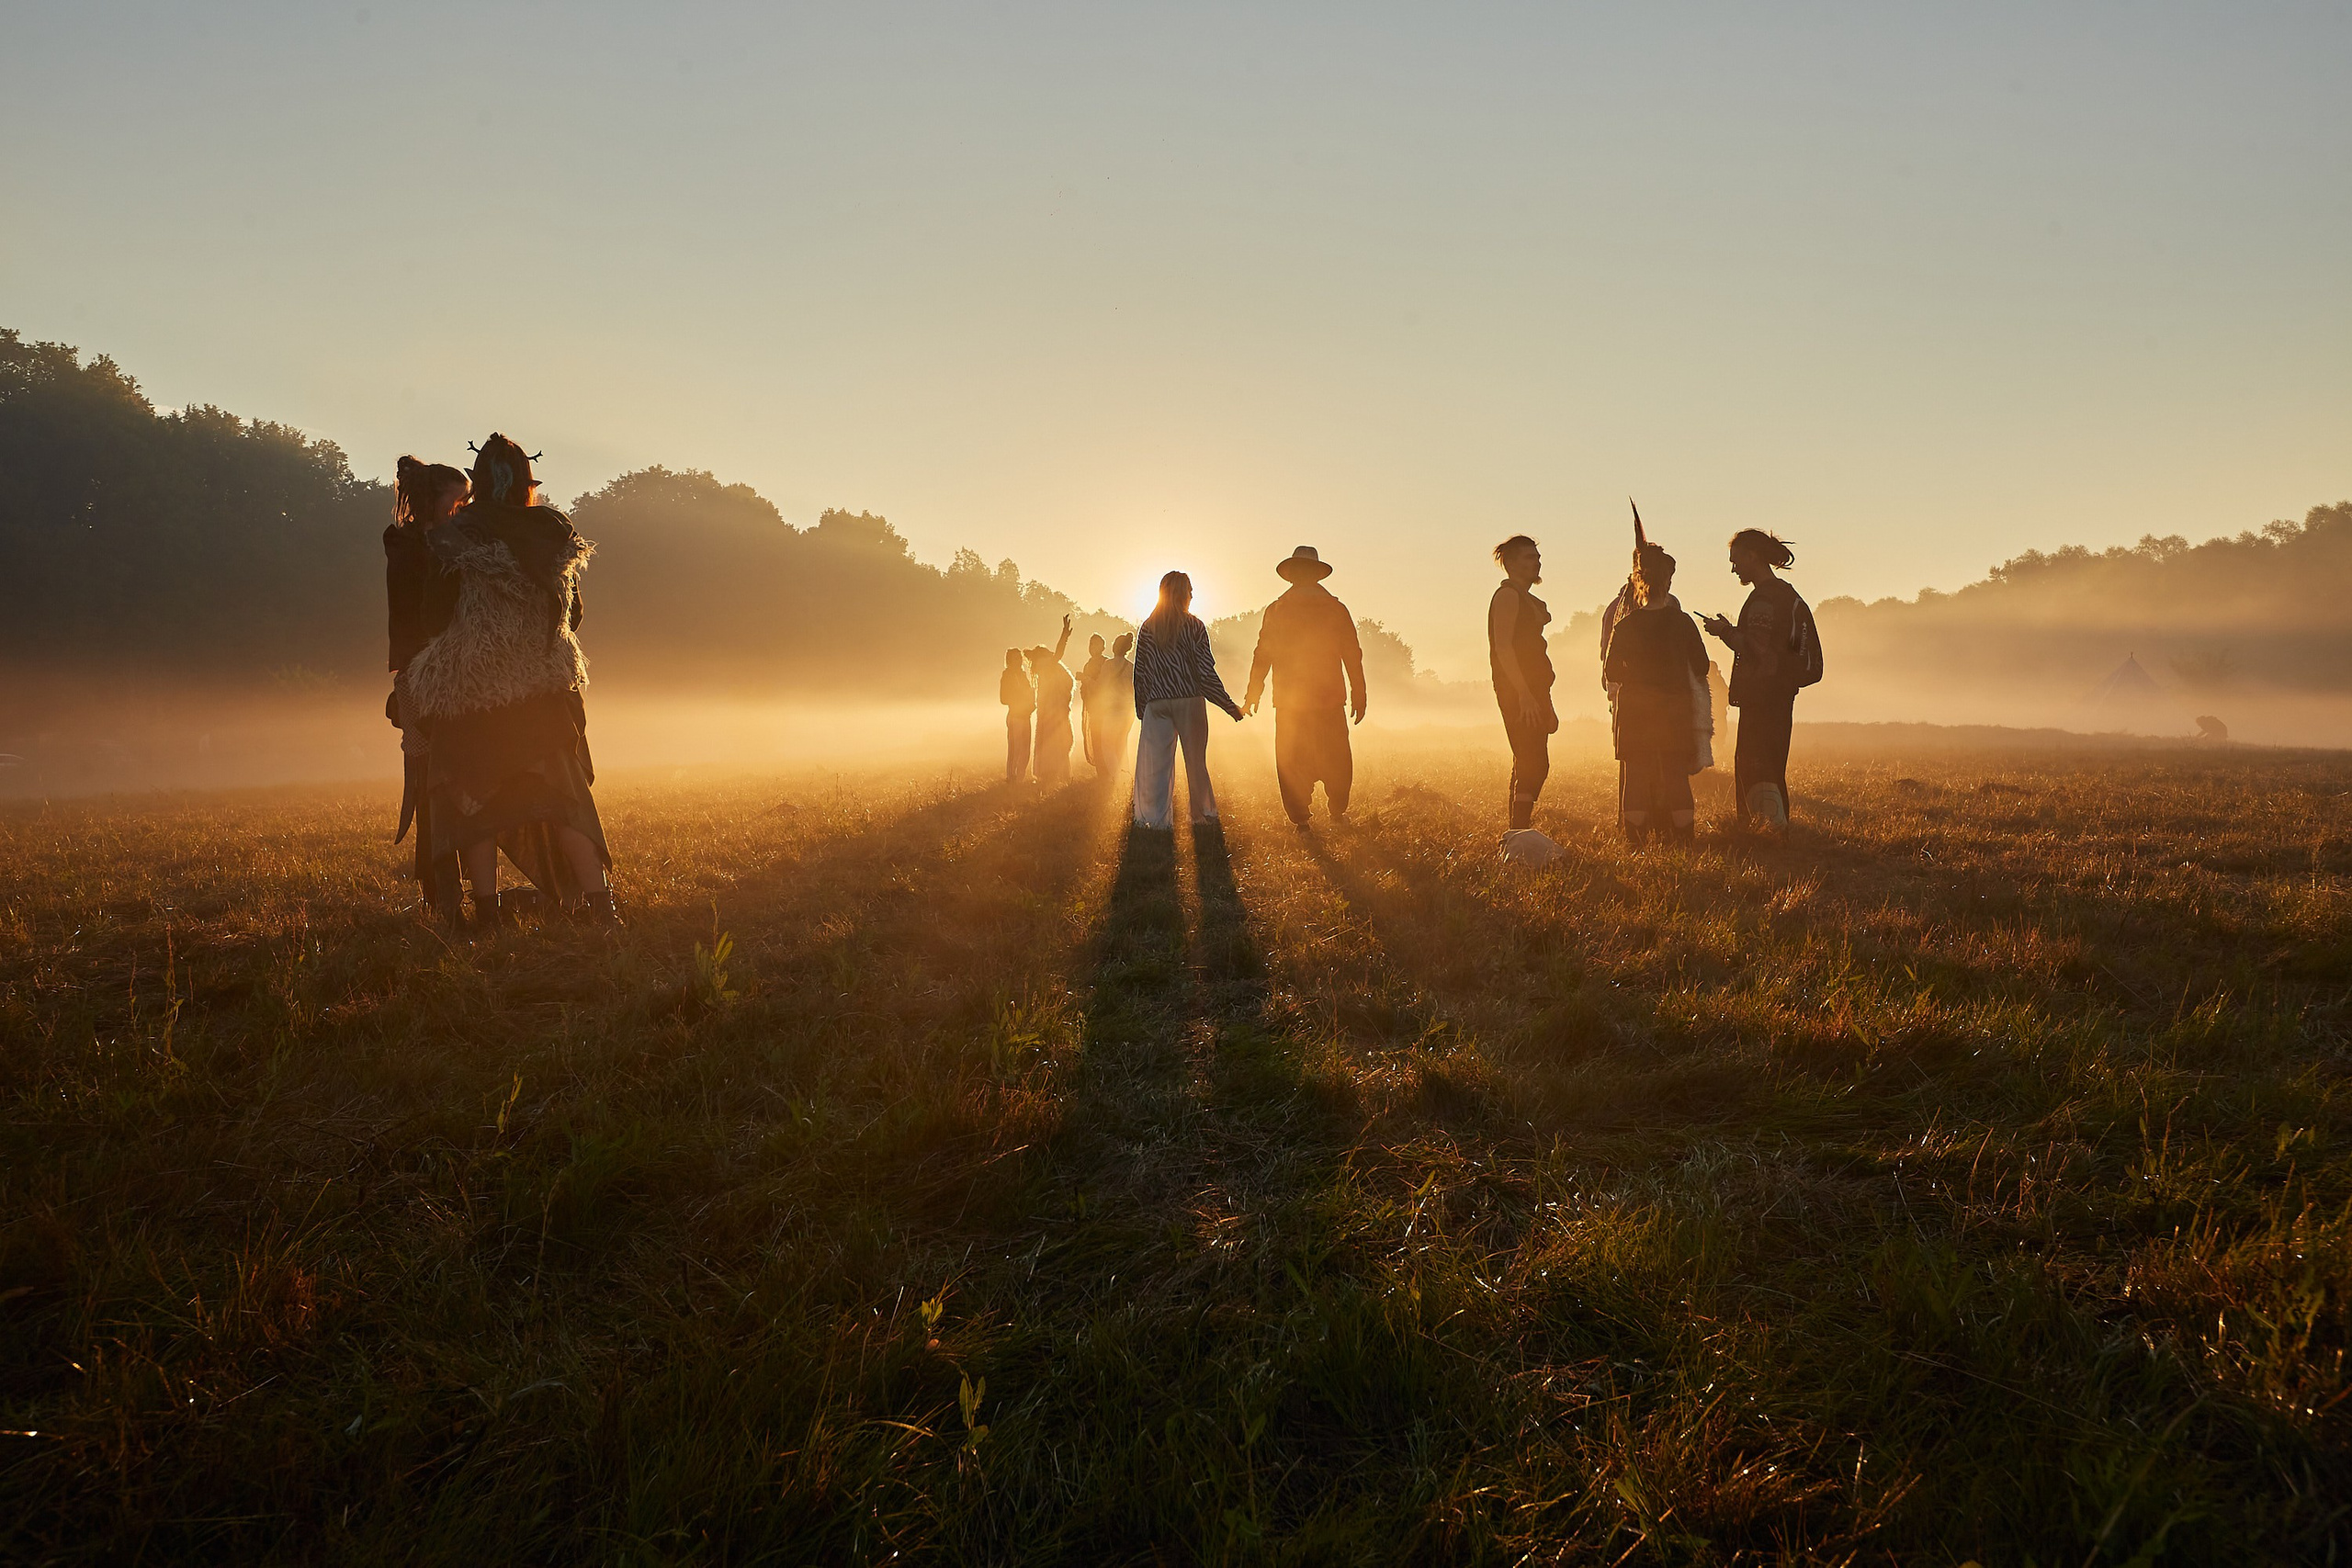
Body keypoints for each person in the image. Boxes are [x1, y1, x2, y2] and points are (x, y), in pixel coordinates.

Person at [402, 434, 619, 927]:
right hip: (543, 693)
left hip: (471, 694)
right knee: (564, 799)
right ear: (527, 481)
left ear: (477, 482)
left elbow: (434, 615)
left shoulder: (456, 533)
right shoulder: (554, 531)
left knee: (472, 799)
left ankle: (488, 913)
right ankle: (600, 908)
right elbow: (572, 614)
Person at [386, 457, 468, 919]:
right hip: (425, 673)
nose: (463, 508)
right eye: (457, 500)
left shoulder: (438, 542)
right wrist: (412, 686)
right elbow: (410, 619)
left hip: (448, 669)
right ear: (433, 501)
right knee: (433, 783)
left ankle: (455, 891)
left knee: (453, 778)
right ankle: (443, 891)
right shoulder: (413, 546)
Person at [1701, 529, 1820, 830]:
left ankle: (1761, 829)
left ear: (1752, 556)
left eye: (1736, 560)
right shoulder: (1786, 594)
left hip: (1762, 696)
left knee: (1755, 764)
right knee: (1773, 763)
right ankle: (1775, 827)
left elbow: (1756, 647)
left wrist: (1723, 631)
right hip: (1781, 694)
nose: (1733, 568)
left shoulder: (1764, 599)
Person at [1243, 546, 1366, 829]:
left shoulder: (1277, 610)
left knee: (1291, 761)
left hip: (1290, 702)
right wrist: (1359, 692)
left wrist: (1254, 692)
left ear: (1292, 575)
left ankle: (1301, 820)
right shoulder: (1336, 608)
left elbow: (1263, 653)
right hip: (1329, 699)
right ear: (1316, 575)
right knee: (1337, 759)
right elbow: (1352, 654)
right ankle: (1337, 810)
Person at [1601, 546, 1709, 843]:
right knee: (1676, 774)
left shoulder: (1625, 626)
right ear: (1668, 581)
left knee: (1636, 774)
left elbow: (1612, 672)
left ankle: (1636, 843)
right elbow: (1700, 667)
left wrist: (1637, 677)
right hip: (1675, 709)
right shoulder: (1683, 622)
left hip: (1636, 710)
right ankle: (1684, 841)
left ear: (1638, 581)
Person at [1130, 571, 1244, 830]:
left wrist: (1141, 707)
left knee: (1155, 765)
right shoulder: (1194, 626)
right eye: (1190, 590)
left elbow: (1141, 672)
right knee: (1195, 760)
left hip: (1157, 703)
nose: (1193, 595)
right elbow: (1205, 672)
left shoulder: (1148, 627)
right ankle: (1201, 814)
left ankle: (1153, 820)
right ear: (1182, 593)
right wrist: (1228, 705)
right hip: (1189, 700)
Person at [1487, 536, 1556, 831]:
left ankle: (1518, 827)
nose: (1537, 562)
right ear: (1510, 564)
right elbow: (1503, 648)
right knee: (1534, 762)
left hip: (1536, 687)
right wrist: (1524, 694)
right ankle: (1519, 829)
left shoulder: (1525, 597)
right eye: (1529, 558)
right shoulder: (1507, 596)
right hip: (1519, 689)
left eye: (1537, 556)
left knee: (1528, 758)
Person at [1028, 615, 1077, 786]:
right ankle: (1057, 775)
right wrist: (1064, 635)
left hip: (1051, 712)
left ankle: (1052, 774)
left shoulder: (1046, 668)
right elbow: (1058, 653)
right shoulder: (1046, 665)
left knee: (1056, 742)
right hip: (1054, 713)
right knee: (1060, 742)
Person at [1100, 632, 1136, 773]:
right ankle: (1125, 775)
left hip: (1112, 710)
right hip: (1128, 712)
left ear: (1115, 647)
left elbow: (1103, 686)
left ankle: (1116, 776)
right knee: (1122, 744)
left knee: (1107, 744)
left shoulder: (1108, 664)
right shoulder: (1131, 667)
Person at [1075, 633, 1111, 773]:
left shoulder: (1106, 663)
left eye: (1096, 644)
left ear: (1103, 647)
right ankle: (1101, 772)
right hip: (1092, 708)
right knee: (1095, 739)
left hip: (1105, 708)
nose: (1093, 648)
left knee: (1105, 740)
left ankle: (1109, 770)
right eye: (1090, 644)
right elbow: (1084, 689)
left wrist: (1087, 679)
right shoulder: (1088, 664)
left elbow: (1105, 685)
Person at [999, 649, 1034, 784]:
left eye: (1019, 658)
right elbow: (1003, 698)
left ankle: (1020, 778)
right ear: (1009, 661)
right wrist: (1019, 696)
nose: (1018, 661)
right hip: (1015, 716)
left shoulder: (1023, 675)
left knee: (1026, 748)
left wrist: (1030, 700)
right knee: (1015, 749)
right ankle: (1011, 778)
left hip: (1026, 716)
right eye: (1015, 658)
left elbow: (1029, 693)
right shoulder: (1007, 676)